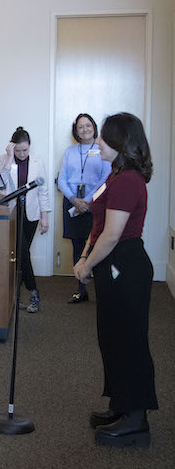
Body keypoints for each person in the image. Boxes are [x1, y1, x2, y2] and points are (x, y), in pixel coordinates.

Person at [72, 112, 155, 449]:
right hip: (112, 264)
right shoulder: (115, 175)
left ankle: (137, 418)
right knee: (112, 338)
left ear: (120, 143)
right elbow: (98, 223)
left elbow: (112, 236)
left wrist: (88, 265)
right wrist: (82, 259)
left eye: (104, 137)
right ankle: (120, 405)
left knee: (129, 339)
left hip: (125, 265)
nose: (98, 142)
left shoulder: (128, 180)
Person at [0, 127, 51, 313]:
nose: (22, 154)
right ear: (11, 147)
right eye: (18, 150)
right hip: (11, 212)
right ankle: (33, 291)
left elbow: (43, 190)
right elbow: (0, 186)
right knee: (21, 252)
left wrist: (45, 217)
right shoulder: (2, 160)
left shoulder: (37, 162)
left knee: (21, 253)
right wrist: (9, 158)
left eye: (25, 150)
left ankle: (14, 296)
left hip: (31, 214)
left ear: (30, 147)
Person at [58, 113, 111, 304]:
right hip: (72, 203)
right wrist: (74, 199)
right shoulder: (70, 151)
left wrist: (86, 201)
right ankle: (81, 290)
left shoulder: (102, 149)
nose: (85, 129)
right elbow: (62, 178)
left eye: (88, 125)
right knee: (77, 246)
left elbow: (105, 178)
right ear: (76, 131)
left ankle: (103, 289)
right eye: (81, 127)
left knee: (98, 245)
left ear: (94, 127)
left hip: (94, 203)